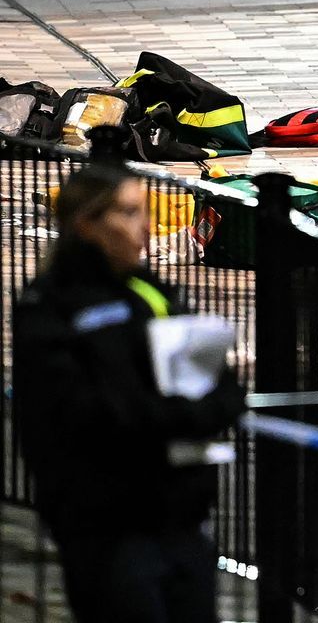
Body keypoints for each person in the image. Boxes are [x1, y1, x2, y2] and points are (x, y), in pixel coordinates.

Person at [13, 157, 246, 623]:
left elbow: (214, 379)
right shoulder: (50, 306)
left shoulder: (152, 291)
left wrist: (212, 403)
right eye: (130, 212)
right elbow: (89, 413)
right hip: (107, 524)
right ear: (87, 224)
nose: (148, 226)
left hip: (180, 517)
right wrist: (187, 414)